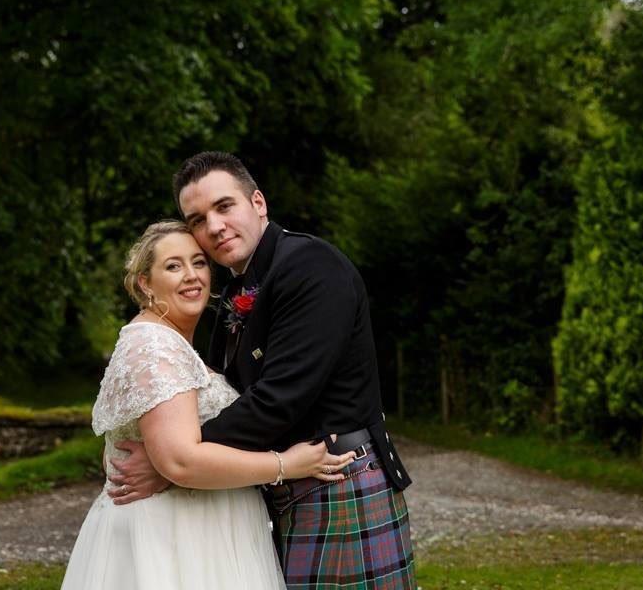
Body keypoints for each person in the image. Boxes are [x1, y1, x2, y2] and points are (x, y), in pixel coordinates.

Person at [110, 152, 416, 589]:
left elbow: (280, 400)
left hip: (338, 481)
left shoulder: (310, 267)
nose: (213, 226)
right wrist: (181, 458)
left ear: (258, 203)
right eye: (197, 219)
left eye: (224, 206)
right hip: (288, 487)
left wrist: (173, 463)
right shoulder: (240, 287)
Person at [61, 220, 356, 590]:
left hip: (198, 527)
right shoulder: (155, 347)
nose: (191, 276)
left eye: (198, 263)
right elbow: (182, 460)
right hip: (173, 537)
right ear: (145, 284)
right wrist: (287, 465)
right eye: (173, 266)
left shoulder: (173, 342)